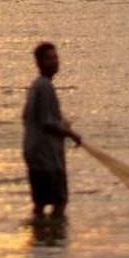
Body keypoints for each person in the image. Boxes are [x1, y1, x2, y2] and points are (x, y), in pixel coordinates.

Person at [22, 40, 83, 217]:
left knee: (41, 203)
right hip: (45, 156)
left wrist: (62, 124)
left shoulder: (37, 86)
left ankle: (42, 238)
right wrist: (71, 134)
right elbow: (47, 123)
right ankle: (53, 239)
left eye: (56, 58)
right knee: (59, 201)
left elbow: (30, 117)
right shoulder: (44, 87)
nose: (55, 62)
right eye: (49, 59)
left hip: (36, 154)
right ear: (39, 63)